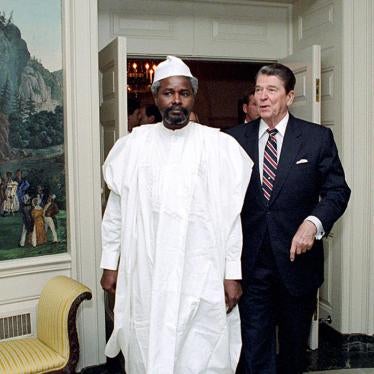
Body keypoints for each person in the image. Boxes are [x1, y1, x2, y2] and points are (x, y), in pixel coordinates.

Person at [100, 55, 253, 374]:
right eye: (169, 93)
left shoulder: (216, 146)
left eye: (184, 93)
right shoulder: (135, 145)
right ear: (156, 97)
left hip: (200, 267)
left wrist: (231, 272)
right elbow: (115, 212)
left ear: (193, 96)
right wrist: (110, 264)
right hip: (148, 268)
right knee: (150, 338)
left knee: (199, 344)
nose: (176, 100)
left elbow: (230, 218)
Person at [225, 63, 351, 374]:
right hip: (251, 265)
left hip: (298, 265)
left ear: (290, 96)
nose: (262, 97)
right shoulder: (231, 140)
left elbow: (337, 191)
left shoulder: (316, 138)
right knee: (254, 349)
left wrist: (313, 223)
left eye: (272, 90)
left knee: (294, 351)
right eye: (258, 90)